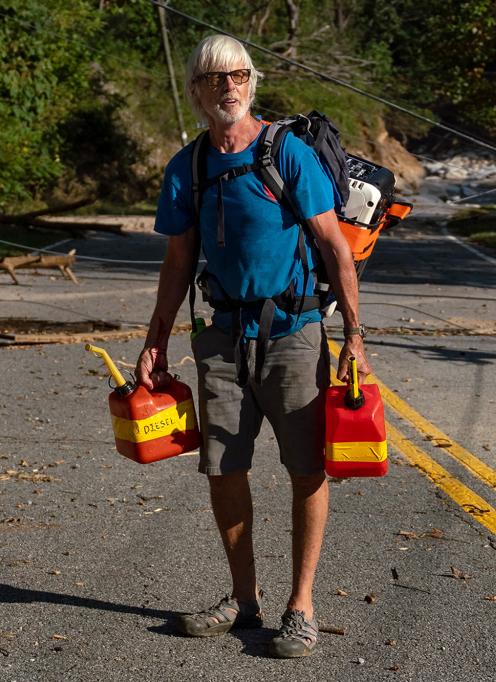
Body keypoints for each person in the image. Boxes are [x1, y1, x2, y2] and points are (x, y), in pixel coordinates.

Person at [137, 34, 369, 659]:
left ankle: (301, 608)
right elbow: (179, 258)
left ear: (252, 83)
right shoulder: (187, 167)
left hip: (294, 335)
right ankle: (244, 602)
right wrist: (155, 341)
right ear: (196, 91)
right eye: (215, 79)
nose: (228, 88)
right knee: (224, 468)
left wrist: (354, 337)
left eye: (238, 76)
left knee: (306, 468)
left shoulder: (286, 152)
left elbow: (333, 248)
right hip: (220, 338)